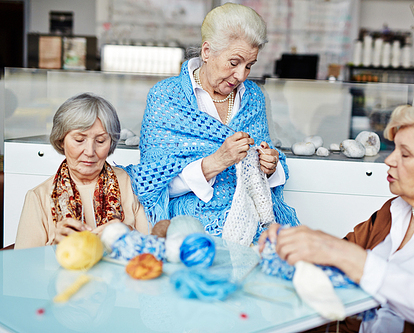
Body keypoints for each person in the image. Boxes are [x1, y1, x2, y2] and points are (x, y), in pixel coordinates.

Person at [259, 103, 414, 332]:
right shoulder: (396, 209)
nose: (389, 160)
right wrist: (290, 244)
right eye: (394, 149)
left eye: (405, 155)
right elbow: (337, 261)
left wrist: (339, 253)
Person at [124, 3, 299, 244]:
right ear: (207, 52)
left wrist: (269, 166)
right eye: (234, 62)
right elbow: (154, 185)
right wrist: (216, 162)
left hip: (252, 226)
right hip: (190, 230)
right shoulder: (166, 97)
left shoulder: (253, 98)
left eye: (249, 65)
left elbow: (258, 172)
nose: (241, 75)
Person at [15, 93, 150, 249]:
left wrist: (129, 234)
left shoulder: (132, 184)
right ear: (61, 140)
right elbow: (23, 267)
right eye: (79, 140)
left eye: (100, 141)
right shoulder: (38, 197)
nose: (90, 151)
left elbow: (154, 252)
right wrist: (55, 246)